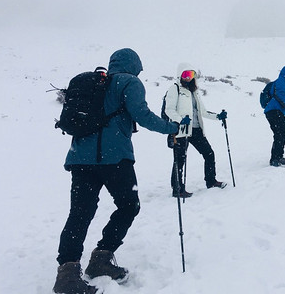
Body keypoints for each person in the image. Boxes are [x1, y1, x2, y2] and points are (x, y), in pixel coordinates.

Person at [54, 48, 180, 294]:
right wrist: (170, 127)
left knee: (80, 213)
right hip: (114, 159)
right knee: (128, 205)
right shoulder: (129, 82)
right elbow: (141, 115)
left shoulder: (94, 83)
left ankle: (67, 274)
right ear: (134, 65)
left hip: (80, 159)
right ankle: (101, 258)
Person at [163, 63, 227, 198]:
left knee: (209, 153)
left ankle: (211, 181)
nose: (188, 78)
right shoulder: (174, 89)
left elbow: (202, 111)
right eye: (185, 75)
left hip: (196, 129)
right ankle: (177, 189)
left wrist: (217, 116)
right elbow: (169, 110)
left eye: (191, 75)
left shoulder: (194, 91)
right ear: (180, 75)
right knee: (179, 160)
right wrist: (180, 120)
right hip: (181, 130)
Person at [263, 65, 285, 167]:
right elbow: (281, 100)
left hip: (274, 111)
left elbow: (280, 99)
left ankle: (278, 157)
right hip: (273, 112)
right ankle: (275, 158)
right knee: (280, 134)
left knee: (282, 133)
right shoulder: (280, 83)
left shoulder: (281, 83)